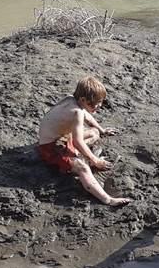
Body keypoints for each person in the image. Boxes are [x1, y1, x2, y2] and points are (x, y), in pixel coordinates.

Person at [37, 76, 131, 206]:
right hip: (51, 148)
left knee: (94, 133)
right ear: (83, 99)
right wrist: (95, 160)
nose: (99, 106)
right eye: (96, 102)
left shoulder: (71, 99)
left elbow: (88, 117)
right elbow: (78, 141)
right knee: (83, 168)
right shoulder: (76, 112)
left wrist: (101, 130)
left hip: (61, 138)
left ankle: (71, 157)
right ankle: (108, 200)